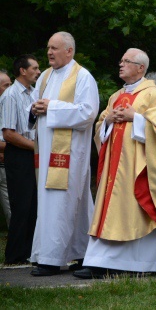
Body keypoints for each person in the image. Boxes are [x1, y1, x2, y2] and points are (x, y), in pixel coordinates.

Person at [74, 48, 156, 279]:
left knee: (136, 209)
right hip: (115, 168)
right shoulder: (115, 96)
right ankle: (101, 261)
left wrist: (136, 118)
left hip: (140, 167)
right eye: (121, 60)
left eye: (127, 61)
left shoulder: (153, 94)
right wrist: (109, 120)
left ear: (141, 68)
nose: (121, 64)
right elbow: (101, 127)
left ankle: (145, 262)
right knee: (111, 211)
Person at [28, 32, 100, 276]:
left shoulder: (83, 77)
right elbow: (37, 105)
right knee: (68, 203)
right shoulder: (45, 77)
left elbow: (88, 112)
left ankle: (52, 258)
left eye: (55, 48)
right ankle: (82, 253)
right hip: (48, 151)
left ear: (69, 51)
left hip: (70, 153)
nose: (49, 52)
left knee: (63, 201)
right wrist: (35, 108)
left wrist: (52, 107)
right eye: (48, 47)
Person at [1, 56, 40, 265]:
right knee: (21, 204)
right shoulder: (10, 95)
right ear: (23, 71)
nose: (39, 71)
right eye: (35, 68)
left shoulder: (35, 94)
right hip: (19, 153)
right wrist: (36, 148)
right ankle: (14, 255)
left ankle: (30, 251)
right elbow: (8, 133)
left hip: (32, 152)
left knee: (34, 204)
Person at [0, 69, 13, 226]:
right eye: (6, 85)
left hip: (7, 165)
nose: (10, 89)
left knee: (12, 206)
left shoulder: (11, 105)